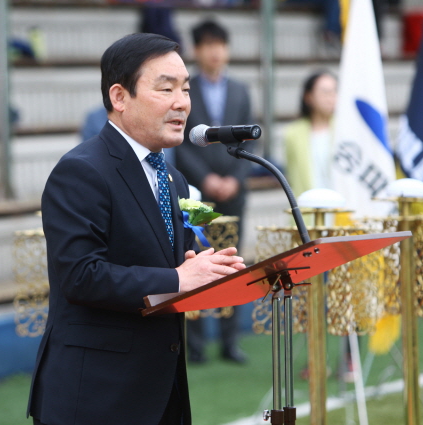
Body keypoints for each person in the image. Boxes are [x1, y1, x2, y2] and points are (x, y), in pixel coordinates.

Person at [27, 33, 246, 425]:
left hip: (161, 393)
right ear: (119, 96)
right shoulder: (81, 170)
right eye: (166, 89)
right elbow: (81, 276)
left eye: (185, 88)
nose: (182, 102)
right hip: (96, 396)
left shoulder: (173, 179)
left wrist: (210, 274)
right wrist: (179, 277)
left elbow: (173, 267)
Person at [174, 20, 252, 365]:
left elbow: (250, 140)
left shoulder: (240, 91)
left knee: (231, 262)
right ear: (196, 50)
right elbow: (181, 141)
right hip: (195, 191)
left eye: (220, 44)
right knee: (192, 258)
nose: (215, 52)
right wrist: (205, 178)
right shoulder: (185, 90)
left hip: (233, 191)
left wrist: (233, 177)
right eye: (207, 45)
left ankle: (229, 341)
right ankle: (196, 345)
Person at [284, 70, 338, 198]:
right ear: (309, 96)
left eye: (334, 91)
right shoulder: (293, 133)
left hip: (341, 210)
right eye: (325, 92)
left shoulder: (345, 129)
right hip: (308, 208)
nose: (331, 97)